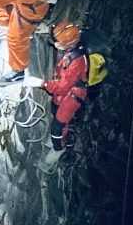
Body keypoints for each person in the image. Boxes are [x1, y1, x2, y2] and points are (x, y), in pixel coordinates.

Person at [28, 22, 88, 170]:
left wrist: (41, 83)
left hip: (73, 94)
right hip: (63, 90)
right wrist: (46, 29)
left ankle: (59, 148)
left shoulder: (77, 62)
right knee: (55, 110)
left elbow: (62, 87)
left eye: (59, 43)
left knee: (58, 125)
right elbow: (58, 29)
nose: (56, 45)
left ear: (69, 44)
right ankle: (59, 135)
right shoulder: (68, 39)